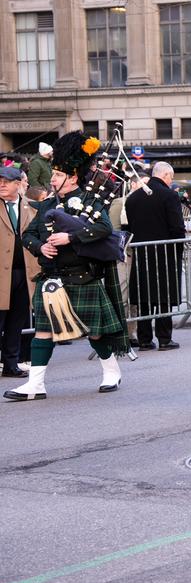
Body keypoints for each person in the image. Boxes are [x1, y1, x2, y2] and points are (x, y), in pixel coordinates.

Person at [5, 131, 130, 402]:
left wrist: (70, 237)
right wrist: (41, 247)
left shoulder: (90, 201)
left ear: (72, 177)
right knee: (44, 331)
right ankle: (35, 384)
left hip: (82, 275)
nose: (53, 179)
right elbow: (29, 234)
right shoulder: (48, 203)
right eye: (53, 175)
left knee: (93, 330)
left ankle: (112, 371)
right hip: (52, 277)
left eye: (58, 176)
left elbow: (103, 228)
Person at [124, 161, 186, 350]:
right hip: (164, 252)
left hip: (141, 253)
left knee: (144, 296)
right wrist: (178, 247)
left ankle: (144, 339)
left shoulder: (133, 198)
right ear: (166, 175)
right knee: (163, 296)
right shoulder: (169, 196)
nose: (171, 181)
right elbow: (177, 226)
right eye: (171, 178)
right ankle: (164, 338)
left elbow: (130, 227)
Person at [0, 166, 39, 378]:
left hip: (24, 273)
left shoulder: (31, 208)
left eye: (6, 181)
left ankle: (11, 364)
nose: (2, 185)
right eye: (0, 181)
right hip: (1, 275)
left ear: (18, 184)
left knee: (17, 321)